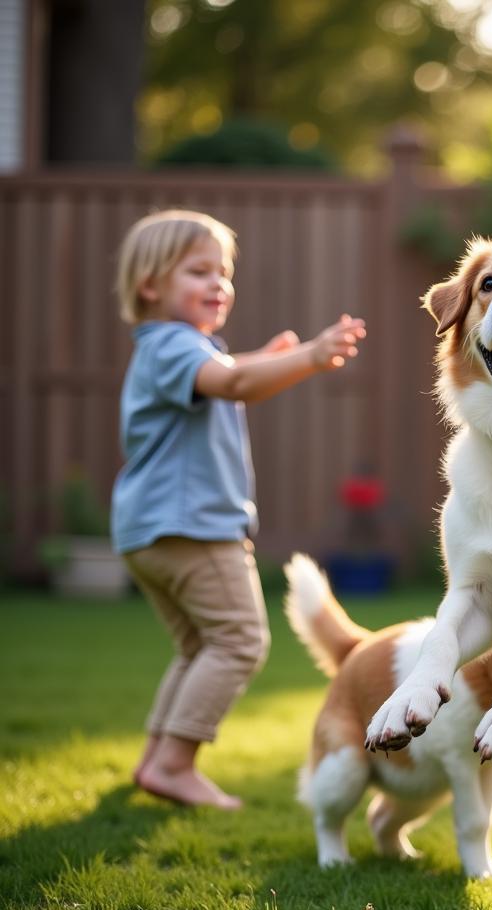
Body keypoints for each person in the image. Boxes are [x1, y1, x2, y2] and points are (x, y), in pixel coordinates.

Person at [112, 209, 366, 810]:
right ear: (150, 285)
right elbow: (230, 384)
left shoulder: (173, 349)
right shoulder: (176, 345)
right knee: (239, 641)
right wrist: (307, 356)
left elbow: (229, 373)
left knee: (201, 646)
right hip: (192, 527)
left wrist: (262, 357)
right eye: (199, 271)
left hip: (149, 531)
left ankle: (155, 760)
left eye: (223, 273)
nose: (218, 284)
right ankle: (175, 763)